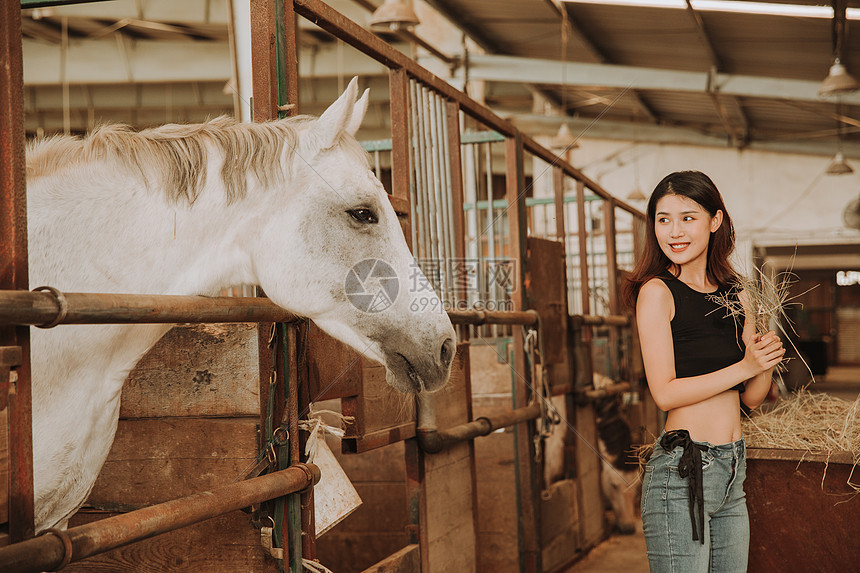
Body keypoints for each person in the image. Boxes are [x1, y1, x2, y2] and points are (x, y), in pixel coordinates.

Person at [624, 171, 784, 572]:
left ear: (715, 221)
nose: (674, 231)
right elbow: (664, 393)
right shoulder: (657, 293)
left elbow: (749, 398)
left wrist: (763, 363)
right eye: (663, 219)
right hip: (682, 471)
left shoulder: (739, 293)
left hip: (733, 467)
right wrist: (744, 365)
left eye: (687, 218)